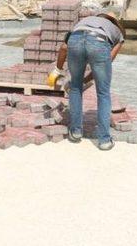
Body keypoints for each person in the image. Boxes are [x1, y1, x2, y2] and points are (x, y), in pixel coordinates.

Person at [48, 12, 125, 151]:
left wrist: (58, 70)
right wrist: (88, 79)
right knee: (103, 93)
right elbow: (108, 59)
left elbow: (64, 47)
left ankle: (76, 132)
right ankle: (104, 140)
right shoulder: (118, 33)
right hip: (99, 42)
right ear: (114, 21)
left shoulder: (84, 22)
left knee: (75, 88)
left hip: (75, 40)